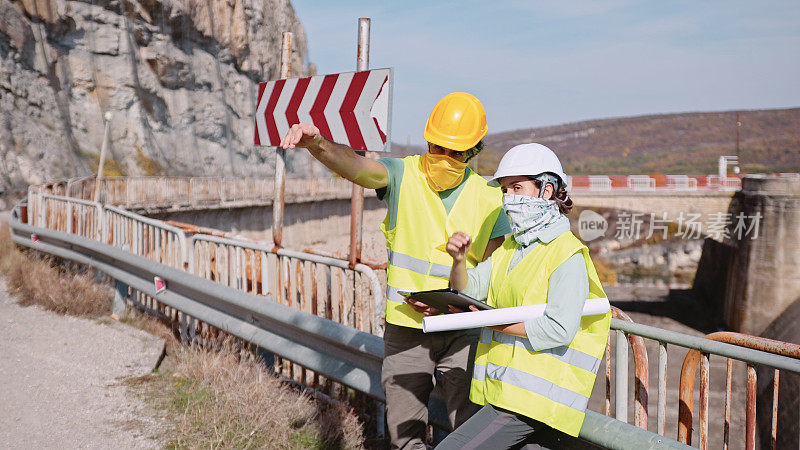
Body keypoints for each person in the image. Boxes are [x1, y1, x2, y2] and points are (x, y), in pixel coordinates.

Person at [280, 92, 510, 449]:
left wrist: (453, 306)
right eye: (438, 149)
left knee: (468, 431)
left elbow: (496, 273)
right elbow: (356, 167)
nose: (445, 158)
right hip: (407, 330)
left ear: (473, 152)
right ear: (428, 142)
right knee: (404, 432)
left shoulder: (491, 198)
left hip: (463, 331)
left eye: (455, 152)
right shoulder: (404, 174)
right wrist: (317, 144)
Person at [436, 143, 611, 449]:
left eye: (517, 187)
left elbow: (558, 328)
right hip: (508, 393)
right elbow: (471, 288)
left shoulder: (567, 253)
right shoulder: (512, 247)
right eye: (505, 190)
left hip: (534, 402)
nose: (509, 199)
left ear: (547, 191)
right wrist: (459, 260)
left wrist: (489, 323)